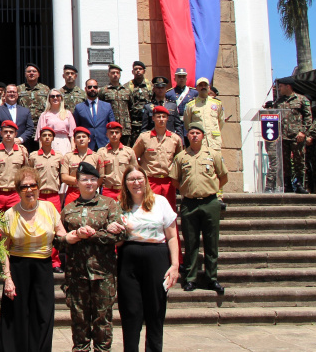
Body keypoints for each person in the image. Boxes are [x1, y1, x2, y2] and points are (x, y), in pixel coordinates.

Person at [0, 166, 69, 352]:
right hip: (18, 268)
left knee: (42, 315)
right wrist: (7, 279)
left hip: (43, 268)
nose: (29, 190)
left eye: (33, 185)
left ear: (39, 187)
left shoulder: (49, 208)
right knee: (17, 317)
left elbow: (62, 235)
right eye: (24, 187)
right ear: (18, 190)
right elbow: (3, 249)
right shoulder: (9, 214)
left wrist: (77, 234)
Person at [60, 161, 126, 352]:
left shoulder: (110, 205)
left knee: (103, 320)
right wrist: (73, 237)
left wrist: (92, 234)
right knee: (79, 321)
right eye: (84, 180)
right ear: (77, 183)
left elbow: (120, 235)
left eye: (92, 179)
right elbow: (59, 240)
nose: (88, 183)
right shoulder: (69, 209)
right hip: (77, 274)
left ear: (98, 182)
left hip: (103, 274)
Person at [116, 165, 179, 352]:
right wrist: (119, 232)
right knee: (131, 311)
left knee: (155, 311)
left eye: (139, 178)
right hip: (129, 259)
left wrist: (175, 264)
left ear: (146, 180)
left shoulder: (160, 202)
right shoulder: (119, 205)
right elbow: (117, 243)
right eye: (131, 179)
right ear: (125, 184)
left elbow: (173, 236)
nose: (136, 183)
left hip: (156, 257)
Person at [170, 123, 227, 294]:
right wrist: (188, 190)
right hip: (190, 204)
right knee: (191, 243)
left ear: (203, 136)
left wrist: (210, 188)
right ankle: (191, 278)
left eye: (198, 133)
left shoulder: (213, 154)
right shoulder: (181, 157)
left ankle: (212, 278)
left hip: (210, 202)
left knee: (211, 242)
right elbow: (175, 181)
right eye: (191, 133)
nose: (194, 136)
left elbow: (223, 177)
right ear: (187, 136)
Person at [28, 127, 67, 272]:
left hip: (53, 196)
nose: (46, 138)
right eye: (44, 135)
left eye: (49, 135)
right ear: (39, 138)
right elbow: (29, 175)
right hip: (37, 196)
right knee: (34, 226)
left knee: (54, 228)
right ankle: (35, 257)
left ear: (53, 138)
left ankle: (55, 261)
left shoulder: (59, 156)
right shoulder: (33, 156)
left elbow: (62, 176)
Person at [132, 106, 184, 211]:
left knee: (169, 211)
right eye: (158, 116)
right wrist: (140, 174)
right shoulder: (144, 137)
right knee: (149, 210)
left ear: (167, 119)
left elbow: (180, 160)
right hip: (150, 181)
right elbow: (133, 156)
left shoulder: (175, 139)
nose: (161, 119)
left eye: (164, 116)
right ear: (153, 119)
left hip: (168, 181)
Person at [265, 77, 312, 193]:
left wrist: (303, 132)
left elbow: (308, 118)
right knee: (285, 163)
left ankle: (300, 184)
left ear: (288, 86)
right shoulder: (278, 102)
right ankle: (287, 184)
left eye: (281, 86)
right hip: (282, 137)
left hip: (297, 136)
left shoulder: (302, 99)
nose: (279, 89)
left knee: (299, 161)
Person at [0, 120, 29, 211]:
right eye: (5, 132)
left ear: (15, 134)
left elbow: (25, 172)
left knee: (14, 222)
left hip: (14, 194)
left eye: (11, 132)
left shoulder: (22, 151)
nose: (8, 134)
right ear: (1, 133)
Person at [95, 122, 139, 201]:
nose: (114, 135)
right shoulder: (101, 152)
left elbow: (134, 171)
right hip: (107, 190)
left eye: (117, 132)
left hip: (124, 189)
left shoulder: (129, 151)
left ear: (121, 134)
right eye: (111, 133)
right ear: (107, 134)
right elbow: (98, 173)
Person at [73, 79, 116, 150]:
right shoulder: (79, 107)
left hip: (104, 144)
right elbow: (76, 128)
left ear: (98, 89)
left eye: (95, 87)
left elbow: (112, 126)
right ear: (85, 89)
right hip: (86, 146)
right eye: (90, 87)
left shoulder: (107, 106)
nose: (92, 89)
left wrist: (109, 141)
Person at [183, 77, 225, 151]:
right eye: (201, 85)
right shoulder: (191, 105)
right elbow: (187, 124)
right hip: (199, 143)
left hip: (214, 142)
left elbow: (221, 121)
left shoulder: (217, 103)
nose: (203, 87)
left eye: (205, 85)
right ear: (197, 88)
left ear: (209, 87)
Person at [62, 127, 99, 205]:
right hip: (73, 192)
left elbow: (100, 177)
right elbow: (64, 177)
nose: (81, 139)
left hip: (91, 192)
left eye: (84, 137)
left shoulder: (96, 156)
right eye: (78, 137)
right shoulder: (68, 156)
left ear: (89, 139)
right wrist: (82, 181)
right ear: (74, 141)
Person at [98, 64, 134, 146]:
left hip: (125, 128)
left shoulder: (127, 91)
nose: (115, 75)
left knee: (125, 150)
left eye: (117, 73)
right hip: (111, 127)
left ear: (120, 75)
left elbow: (131, 108)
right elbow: (100, 109)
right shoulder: (104, 91)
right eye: (113, 73)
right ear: (108, 74)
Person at [36, 88, 77, 155]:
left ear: (61, 98)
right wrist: (41, 150)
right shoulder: (44, 115)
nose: (55, 98)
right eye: (52, 96)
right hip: (50, 143)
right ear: (49, 99)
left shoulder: (68, 113)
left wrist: (73, 148)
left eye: (58, 96)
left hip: (65, 143)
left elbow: (72, 134)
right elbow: (41, 136)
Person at [142, 76, 184, 142]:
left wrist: (181, 142)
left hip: (170, 140)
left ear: (166, 89)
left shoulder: (172, 106)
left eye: (162, 87)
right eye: (158, 88)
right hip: (153, 140)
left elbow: (178, 126)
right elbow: (144, 128)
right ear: (154, 89)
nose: (160, 90)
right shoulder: (148, 107)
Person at [18, 63, 50, 146]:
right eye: (29, 71)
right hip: (24, 127)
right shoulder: (19, 89)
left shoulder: (46, 89)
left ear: (38, 74)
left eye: (34, 71)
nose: (31, 73)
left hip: (41, 126)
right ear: (25, 74)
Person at [124, 61, 153, 138]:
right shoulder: (127, 86)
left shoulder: (150, 86)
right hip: (134, 123)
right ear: (132, 71)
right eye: (136, 69)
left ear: (144, 71)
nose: (138, 71)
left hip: (148, 122)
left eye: (140, 69)